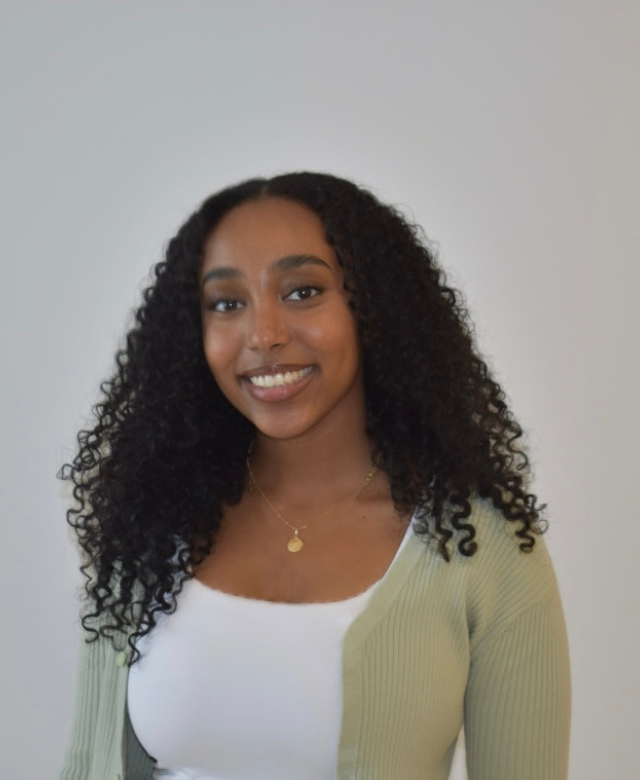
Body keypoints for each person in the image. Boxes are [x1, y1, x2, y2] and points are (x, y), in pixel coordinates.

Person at [58, 172, 571, 780]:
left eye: (302, 291)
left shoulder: (482, 547)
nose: (264, 335)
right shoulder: (149, 524)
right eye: (226, 303)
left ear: (372, 305)